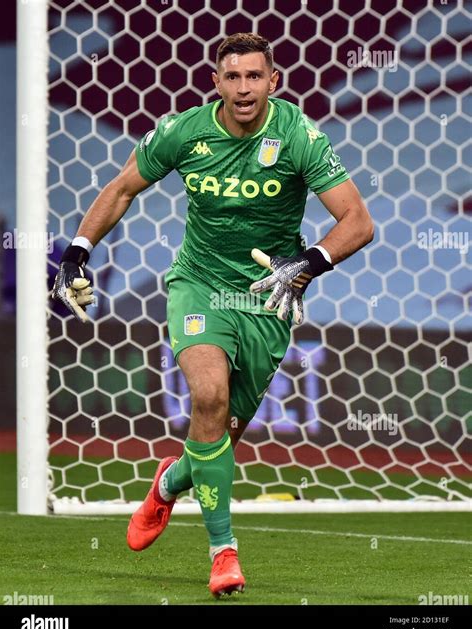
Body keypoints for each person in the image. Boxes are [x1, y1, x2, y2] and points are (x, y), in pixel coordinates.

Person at [52, 32, 374, 598]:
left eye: (255, 77)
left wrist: (305, 264)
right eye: (233, 77)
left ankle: (170, 482)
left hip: (266, 297)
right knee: (208, 399)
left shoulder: (297, 134)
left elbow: (357, 221)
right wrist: (77, 253)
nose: (244, 88)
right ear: (215, 83)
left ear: (273, 81)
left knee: (219, 435)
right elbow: (123, 187)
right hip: (198, 286)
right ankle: (223, 553)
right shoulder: (184, 131)